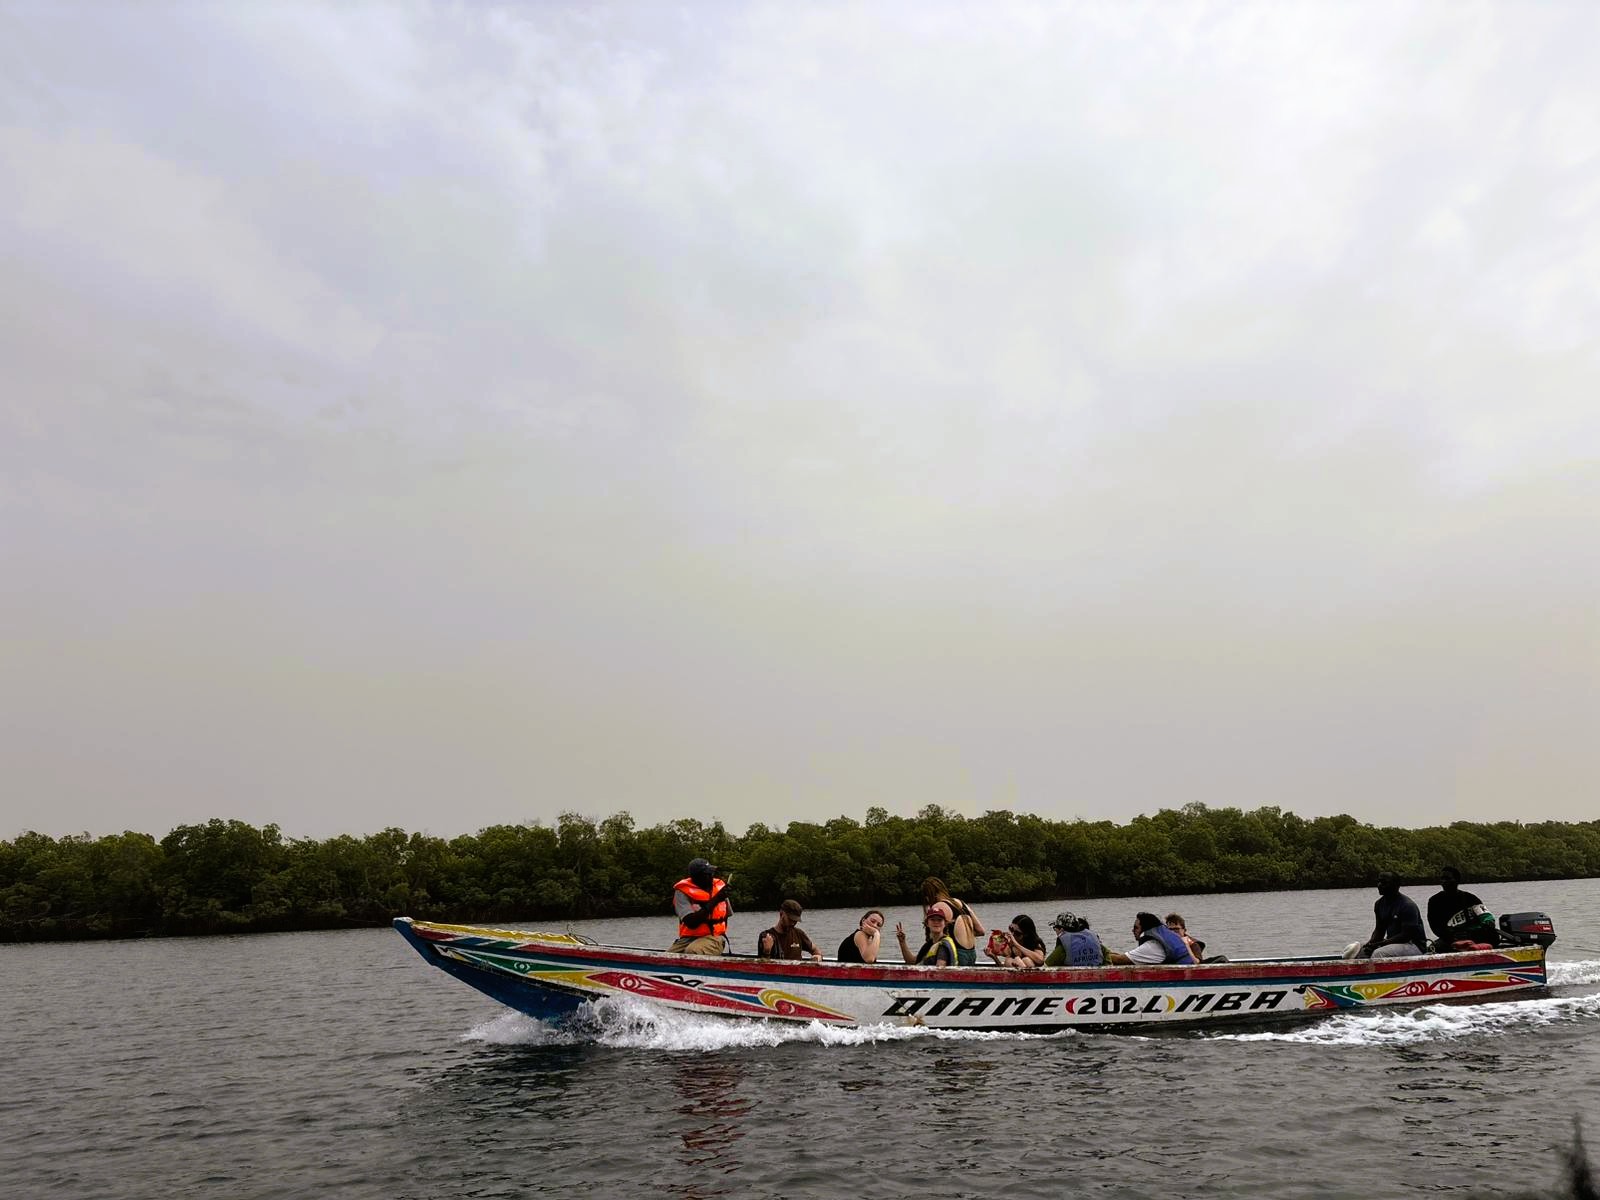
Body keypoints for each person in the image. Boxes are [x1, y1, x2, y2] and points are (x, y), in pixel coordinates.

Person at [1354, 872, 1427, 959]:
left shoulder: (1407, 906)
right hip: (1391, 943)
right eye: (1379, 882)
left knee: (1379, 954)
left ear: (1396, 885)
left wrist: (1380, 945)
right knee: (1357, 951)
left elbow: (1406, 936)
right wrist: (1370, 944)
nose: (1380, 885)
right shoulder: (1379, 904)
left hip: (1413, 945)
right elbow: (1379, 930)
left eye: (1384, 883)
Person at [1427, 867, 1500, 950]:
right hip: (1451, 939)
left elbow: (1485, 916)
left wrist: (1488, 922)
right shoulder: (1434, 901)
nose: (1444, 882)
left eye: (1447, 879)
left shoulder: (1470, 898)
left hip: (1474, 936)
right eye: (1442, 879)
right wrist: (1452, 937)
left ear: (1457, 880)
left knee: (1493, 935)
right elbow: (1436, 927)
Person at [670, 858, 731, 954]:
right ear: (696, 877)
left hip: (714, 937)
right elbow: (691, 922)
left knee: (692, 951)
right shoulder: (682, 891)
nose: (711, 876)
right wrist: (716, 899)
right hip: (688, 939)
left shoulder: (720, 888)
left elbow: (726, 915)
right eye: (707, 874)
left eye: (711, 872)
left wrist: (717, 933)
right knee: (664, 958)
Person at [922, 877, 985, 966]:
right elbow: (981, 931)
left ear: (928, 896)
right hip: (972, 954)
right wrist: (963, 934)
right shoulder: (961, 903)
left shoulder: (938, 906)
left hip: (956, 954)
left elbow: (933, 937)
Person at [1107, 911, 1197, 965]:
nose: (1133, 930)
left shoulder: (1152, 946)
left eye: (1136, 928)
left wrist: (1099, 953)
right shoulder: (1166, 937)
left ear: (1145, 929)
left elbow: (1120, 960)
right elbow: (1127, 956)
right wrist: (1107, 952)